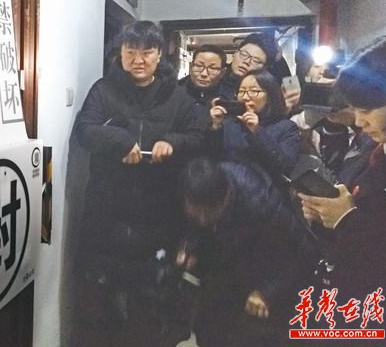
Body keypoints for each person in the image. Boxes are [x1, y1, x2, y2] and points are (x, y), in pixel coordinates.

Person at [71, 20, 206, 347]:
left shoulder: (178, 97)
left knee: (147, 309)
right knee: (96, 305)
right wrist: (120, 142)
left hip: (157, 215)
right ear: (121, 53)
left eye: (147, 52)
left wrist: (171, 142)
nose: (138, 59)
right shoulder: (103, 90)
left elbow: (198, 136)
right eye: (131, 51)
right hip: (106, 212)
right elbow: (85, 130)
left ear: (159, 54)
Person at [298, 36, 386, 339]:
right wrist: (328, 216)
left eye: (366, 110)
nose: (359, 121)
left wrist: (345, 218)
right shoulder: (373, 147)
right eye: (355, 110)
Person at [176, 157, 317, 347]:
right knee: (207, 324)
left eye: (206, 213)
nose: (201, 219)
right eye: (195, 213)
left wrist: (267, 292)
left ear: (224, 199)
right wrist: (189, 247)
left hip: (272, 271)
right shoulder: (200, 188)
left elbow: (302, 255)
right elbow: (196, 226)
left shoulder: (264, 205)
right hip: (234, 260)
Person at [208, 69, 300, 182]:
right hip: (228, 187)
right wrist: (215, 126)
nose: (246, 97)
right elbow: (212, 159)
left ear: (270, 95)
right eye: (242, 91)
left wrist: (256, 131)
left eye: (254, 91)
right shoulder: (229, 123)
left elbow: (285, 166)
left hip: (265, 189)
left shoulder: (286, 127)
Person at [218, 33, 277, 100]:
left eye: (256, 61)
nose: (247, 62)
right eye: (244, 54)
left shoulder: (265, 95)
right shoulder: (214, 79)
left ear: (265, 68)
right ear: (235, 53)